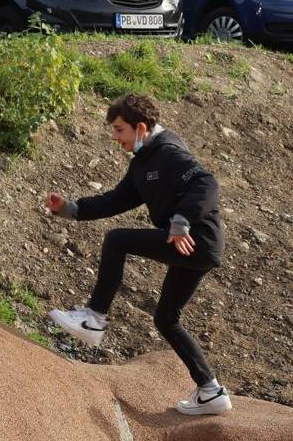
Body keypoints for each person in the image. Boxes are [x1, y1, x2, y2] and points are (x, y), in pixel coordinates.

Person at [42, 94, 231, 416]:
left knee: (117, 241)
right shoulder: (142, 164)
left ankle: (94, 318)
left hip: (195, 238)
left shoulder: (168, 152)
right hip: (190, 244)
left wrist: (181, 221)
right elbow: (115, 201)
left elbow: (207, 183)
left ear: (140, 127)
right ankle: (211, 391)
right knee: (166, 318)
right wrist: (71, 209)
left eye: (119, 130)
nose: (116, 138)